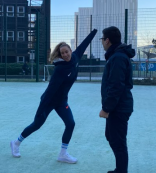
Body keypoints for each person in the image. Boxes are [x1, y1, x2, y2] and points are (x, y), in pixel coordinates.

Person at [10, 29, 97, 164]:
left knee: (70, 123)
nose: (65, 55)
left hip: (62, 101)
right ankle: (16, 143)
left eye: (67, 51)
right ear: (60, 55)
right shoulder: (60, 69)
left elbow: (85, 43)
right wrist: (40, 110)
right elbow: (50, 91)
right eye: (62, 53)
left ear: (70, 50)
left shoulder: (76, 56)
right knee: (37, 124)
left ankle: (63, 154)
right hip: (49, 100)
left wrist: (94, 31)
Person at [98, 26, 135, 173]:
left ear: (107, 40)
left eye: (102, 39)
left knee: (118, 142)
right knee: (113, 138)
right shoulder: (116, 55)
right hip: (119, 107)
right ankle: (122, 171)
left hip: (118, 108)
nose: (102, 43)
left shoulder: (118, 57)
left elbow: (116, 86)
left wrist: (106, 108)